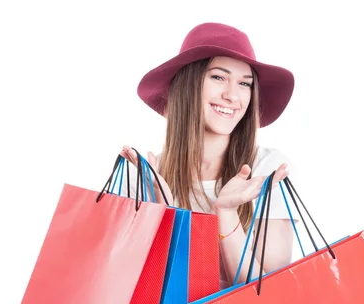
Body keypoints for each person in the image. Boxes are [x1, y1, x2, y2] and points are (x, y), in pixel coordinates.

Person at [121, 22, 299, 290]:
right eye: (218, 77)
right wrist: (166, 214)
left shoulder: (266, 169)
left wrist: (226, 213)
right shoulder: (146, 179)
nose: (232, 95)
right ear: (187, 84)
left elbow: (270, 294)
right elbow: (130, 291)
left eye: (244, 83)